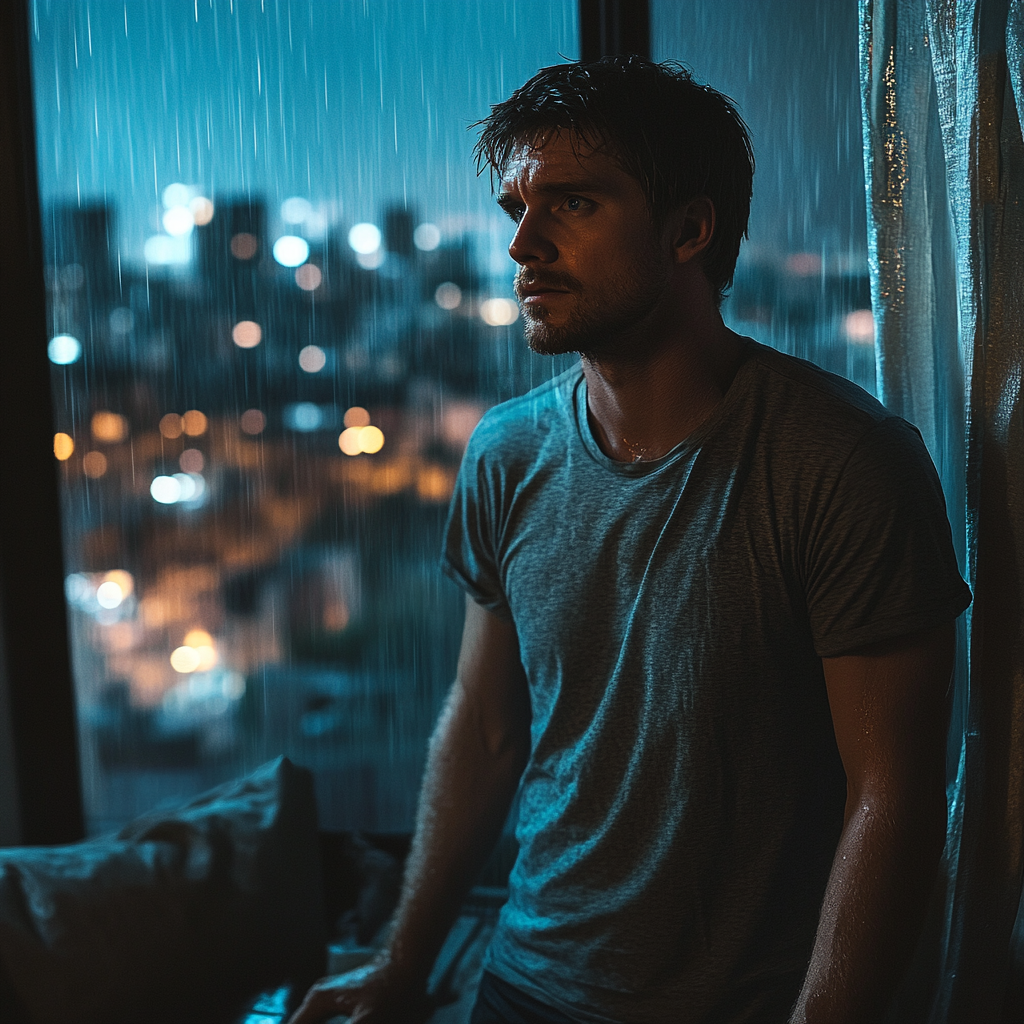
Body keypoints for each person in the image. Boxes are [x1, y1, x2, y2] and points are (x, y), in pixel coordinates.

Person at [289, 56, 972, 1024]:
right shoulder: (506, 451)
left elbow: (891, 795)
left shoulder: (844, 461)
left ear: (689, 229)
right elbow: (485, 728)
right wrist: (402, 962)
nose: (522, 244)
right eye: (515, 207)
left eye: (571, 204)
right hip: (522, 986)